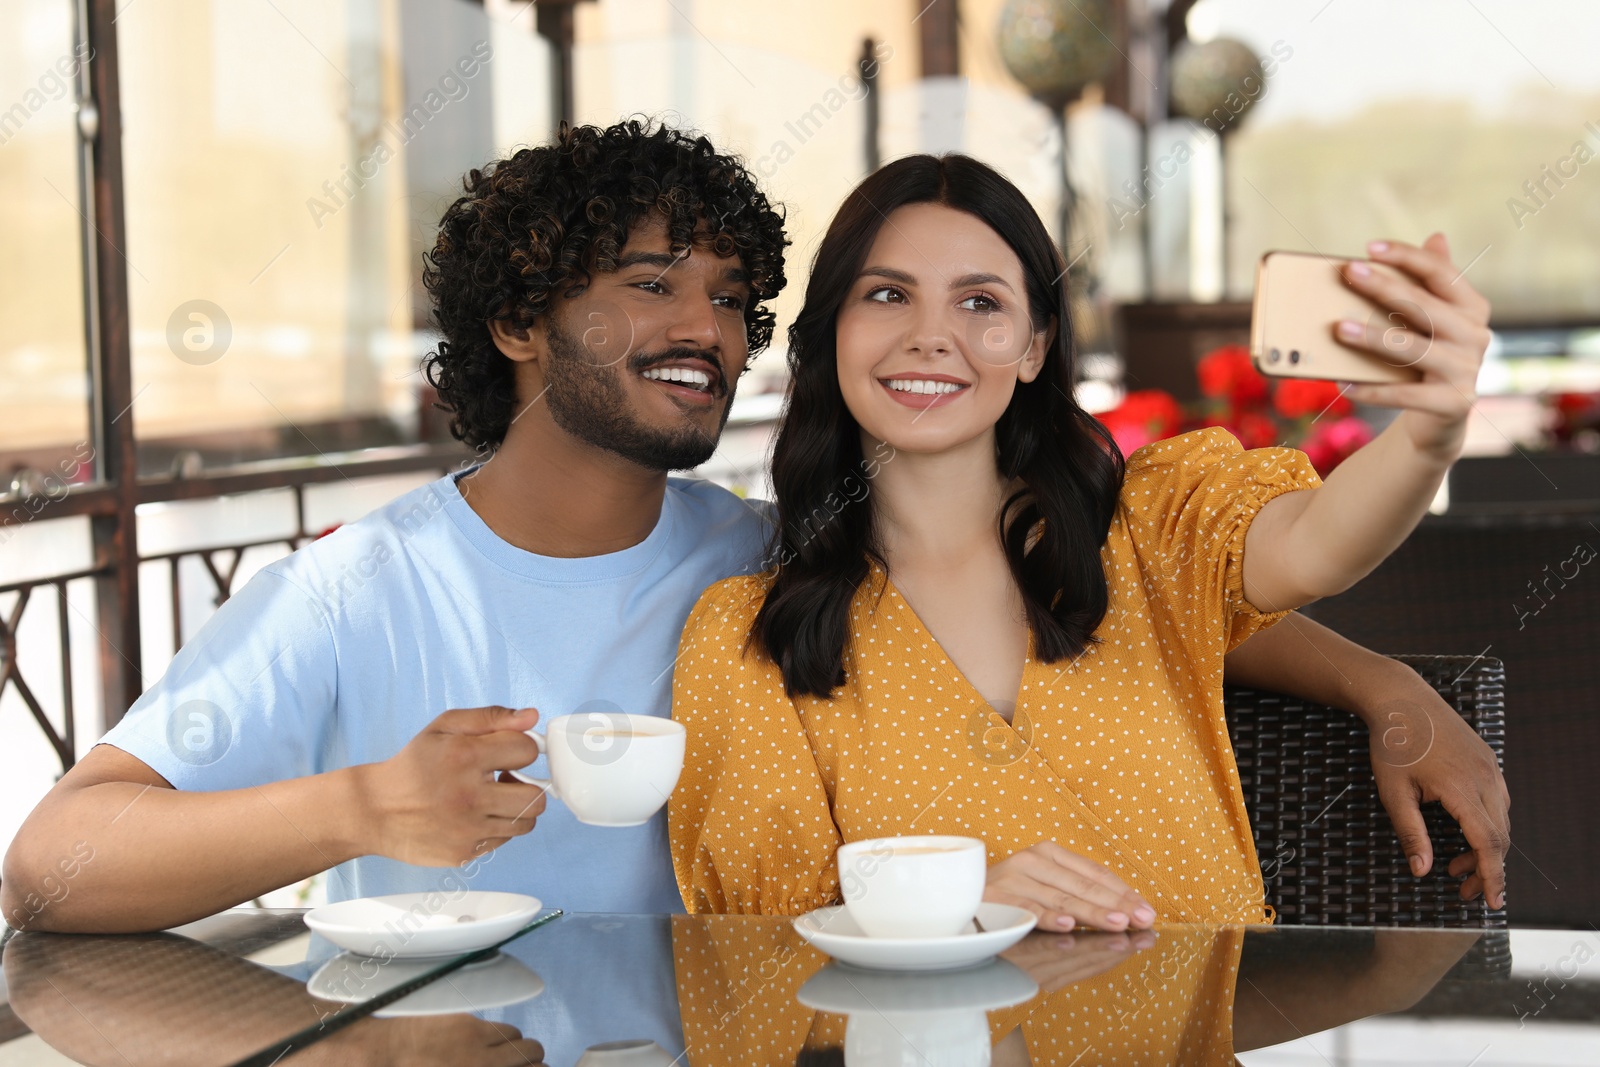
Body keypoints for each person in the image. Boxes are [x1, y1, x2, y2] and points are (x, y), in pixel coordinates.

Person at [2, 123, 1503, 936]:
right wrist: (358, 810)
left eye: (729, 296)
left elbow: (1150, 573)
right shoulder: (355, 591)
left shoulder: (760, 560)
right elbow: (52, 868)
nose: (705, 328)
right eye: (653, 283)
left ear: (1037, 340)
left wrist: (1378, 670)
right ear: (518, 320)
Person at [668, 153, 1508, 933]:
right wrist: (949, 912)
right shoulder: (747, 644)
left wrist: (1427, 437)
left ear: (1034, 346)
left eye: (981, 302)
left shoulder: (1150, 529)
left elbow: (1313, 546)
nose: (930, 334)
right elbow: (760, 965)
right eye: (887, 294)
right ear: (830, 335)